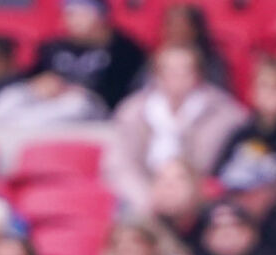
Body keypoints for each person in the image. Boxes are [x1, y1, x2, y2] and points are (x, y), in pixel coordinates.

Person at [105, 44, 248, 216]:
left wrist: (191, 193)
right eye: (170, 71)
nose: (177, 77)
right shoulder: (132, 111)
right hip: (144, 196)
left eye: (185, 71)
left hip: (203, 197)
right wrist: (147, 198)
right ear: (156, 75)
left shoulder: (225, 113)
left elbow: (225, 165)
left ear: (199, 75)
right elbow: (121, 165)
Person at [31, 0, 146, 111]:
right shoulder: (54, 46)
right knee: (17, 94)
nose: (73, 20)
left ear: (100, 16)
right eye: (69, 14)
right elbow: (34, 76)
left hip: (95, 108)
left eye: (80, 14)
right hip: (49, 101)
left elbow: (123, 93)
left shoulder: (123, 49)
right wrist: (41, 82)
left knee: (76, 104)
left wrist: (73, 90)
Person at [215, 57, 276, 191]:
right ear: (253, 92)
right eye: (264, 86)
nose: (269, 94)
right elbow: (216, 176)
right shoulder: (241, 134)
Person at [160, 3, 230, 91]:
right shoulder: (158, 58)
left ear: (195, 30)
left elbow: (218, 93)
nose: (175, 31)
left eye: (180, 26)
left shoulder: (212, 63)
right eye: (171, 26)